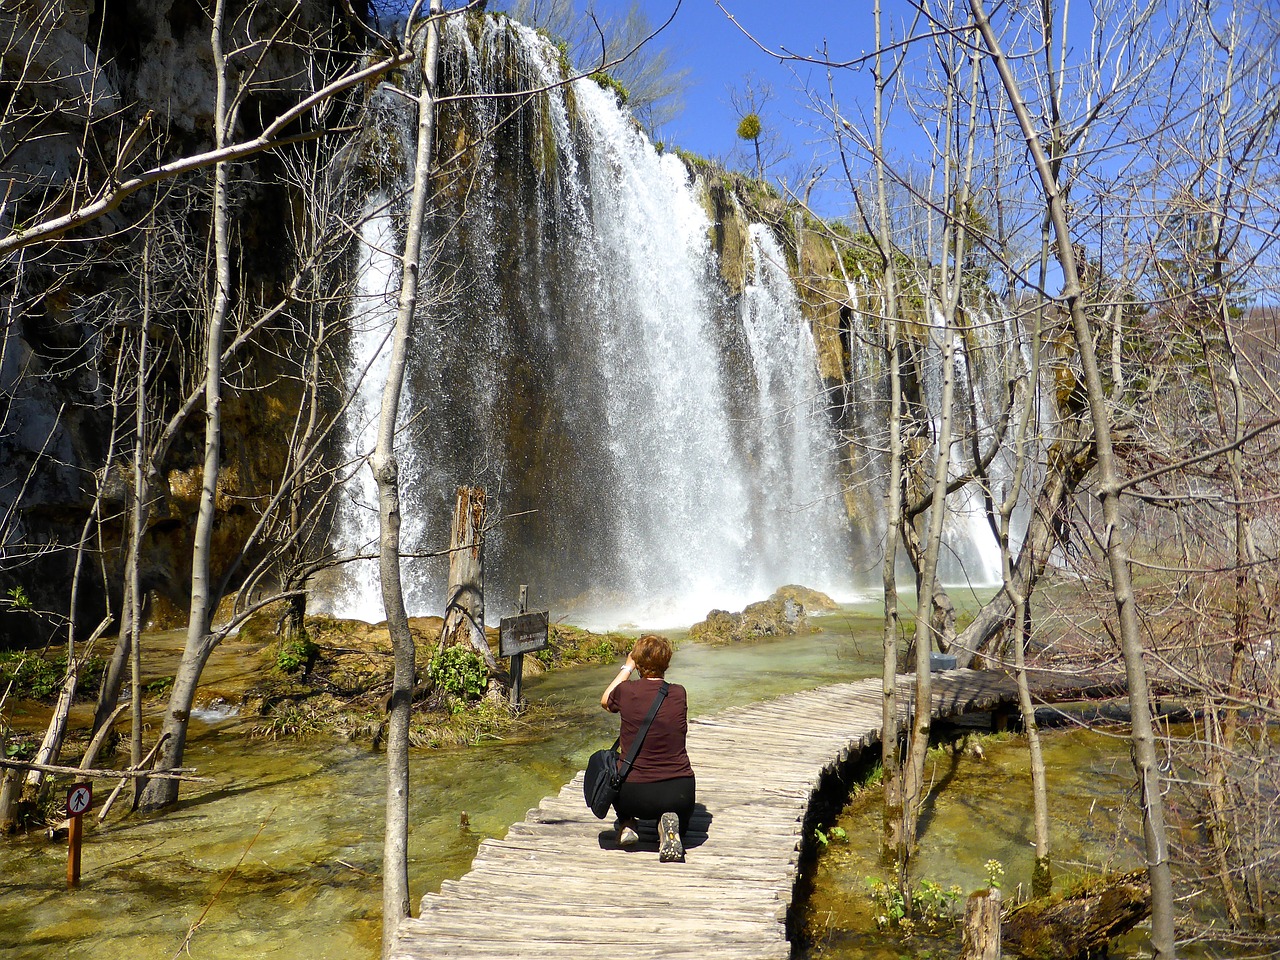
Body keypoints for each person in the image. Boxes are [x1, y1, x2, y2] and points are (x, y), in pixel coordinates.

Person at [599, 634, 695, 862]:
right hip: (679, 793)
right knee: (671, 797)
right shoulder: (679, 692)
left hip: (634, 796)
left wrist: (627, 666)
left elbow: (605, 700)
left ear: (638, 662)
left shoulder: (626, 691)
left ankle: (628, 823)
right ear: (667, 663)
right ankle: (668, 824)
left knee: (613, 765)